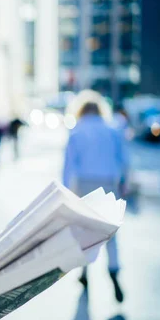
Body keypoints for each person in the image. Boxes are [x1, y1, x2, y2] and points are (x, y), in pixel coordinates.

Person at [63, 101, 129, 303]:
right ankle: (114, 270)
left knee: (86, 231)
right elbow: (124, 160)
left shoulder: (77, 132)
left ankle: (84, 273)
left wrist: (66, 194)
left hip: (85, 184)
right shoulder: (112, 130)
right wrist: (124, 182)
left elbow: (68, 166)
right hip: (109, 183)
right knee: (110, 231)